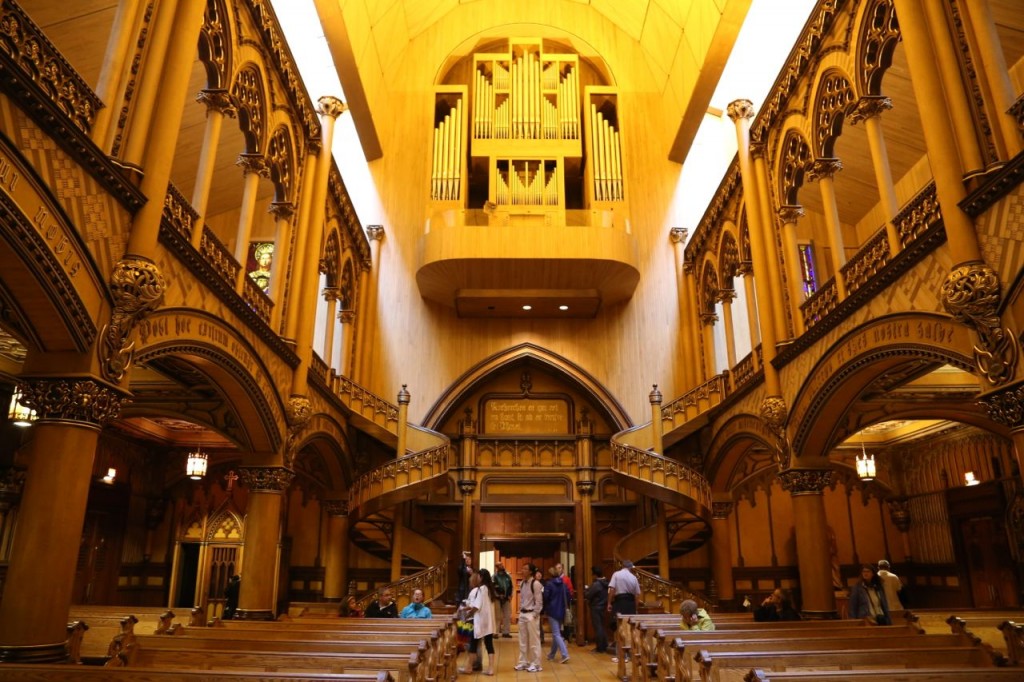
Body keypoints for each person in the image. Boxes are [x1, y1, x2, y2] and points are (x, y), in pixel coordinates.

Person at [461, 568, 496, 675]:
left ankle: (469, 667)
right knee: (489, 644)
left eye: (479, 576)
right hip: (488, 621)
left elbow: (476, 606)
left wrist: (468, 614)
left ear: (481, 577)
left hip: (480, 620)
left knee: (473, 644)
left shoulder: (482, 589)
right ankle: (491, 669)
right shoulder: (490, 589)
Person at [607, 560, 641, 663]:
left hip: (620, 602)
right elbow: (637, 595)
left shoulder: (616, 574)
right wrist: (635, 608)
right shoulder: (634, 577)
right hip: (630, 604)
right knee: (629, 630)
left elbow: (612, 589)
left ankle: (620, 656)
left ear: (622, 566)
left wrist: (609, 603)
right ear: (630, 567)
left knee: (619, 629)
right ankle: (629, 655)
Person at [514, 563, 544, 673]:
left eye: (525, 568)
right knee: (522, 640)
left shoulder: (535, 584)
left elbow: (539, 602)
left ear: (531, 571)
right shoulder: (522, 583)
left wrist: (535, 614)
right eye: (522, 568)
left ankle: (536, 664)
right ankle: (523, 662)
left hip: (531, 614)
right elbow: (522, 599)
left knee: (534, 640)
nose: (522, 570)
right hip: (523, 614)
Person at [544, 565, 571, 664]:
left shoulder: (549, 584)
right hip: (561, 610)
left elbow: (546, 597)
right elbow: (569, 596)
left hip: (552, 610)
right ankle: (551, 654)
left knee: (556, 634)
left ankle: (565, 654)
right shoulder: (563, 584)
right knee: (557, 633)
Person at [585, 565, 609, 653]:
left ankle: (600, 648)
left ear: (595, 574)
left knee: (598, 627)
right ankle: (604, 645)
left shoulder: (597, 584)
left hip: (595, 607)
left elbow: (588, 595)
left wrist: (586, 589)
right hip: (603, 606)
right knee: (602, 626)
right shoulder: (605, 582)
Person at [493, 562, 514, 638]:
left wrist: (510, 595)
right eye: (500, 565)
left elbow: (511, 586)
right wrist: (497, 595)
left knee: (507, 615)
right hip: (497, 598)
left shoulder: (508, 576)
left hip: (506, 598)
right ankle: (495, 632)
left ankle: (506, 632)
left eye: (502, 565)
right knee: (497, 616)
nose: (502, 566)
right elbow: (492, 587)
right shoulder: (494, 576)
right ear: (497, 567)